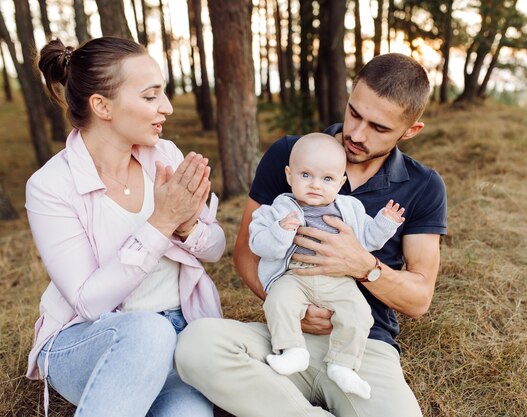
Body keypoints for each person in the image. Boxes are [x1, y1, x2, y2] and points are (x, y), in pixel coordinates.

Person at [176, 53, 447, 416]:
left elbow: (418, 299)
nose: (356, 134)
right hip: (284, 337)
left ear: (410, 131)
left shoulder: (423, 186)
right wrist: (290, 306)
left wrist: (363, 265)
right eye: (354, 113)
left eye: (379, 128)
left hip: (363, 348)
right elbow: (245, 253)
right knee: (196, 346)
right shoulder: (292, 153)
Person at [25, 37, 225, 417]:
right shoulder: (50, 186)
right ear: (101, 106)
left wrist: (187, 226)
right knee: (149, 332)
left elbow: (215, 249)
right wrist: (160, 222)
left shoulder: (165, 155)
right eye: (151, 97)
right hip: (92, 340)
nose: (166, 107)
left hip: (182, 335)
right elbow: (88, 302)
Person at [250, 132, 405, 400]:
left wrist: (385, 222)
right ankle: (292, 350)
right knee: (278, 301)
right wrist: (279, 231)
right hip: (295, 274)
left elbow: (368, 240)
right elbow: (258, 243)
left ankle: (342, 365)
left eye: (327, 179)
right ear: (289, 175)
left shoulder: (350, 209)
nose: (315, 185)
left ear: (341, 182)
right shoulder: (279, 209)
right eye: (306, 175)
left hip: (338, 280)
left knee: (359, 313)